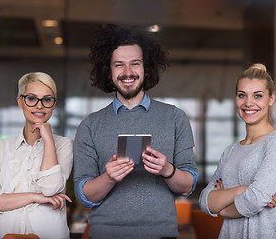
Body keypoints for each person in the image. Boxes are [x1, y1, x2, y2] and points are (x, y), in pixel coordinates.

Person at [73, 24, 198, 239]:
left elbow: (188, 186)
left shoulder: (175, 118)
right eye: (119, 65)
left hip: (161, 235)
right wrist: (109, 177)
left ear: (146, 68)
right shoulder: (90, 125)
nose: (127, 72)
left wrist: (167, 169)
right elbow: (83, 196)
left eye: (135, 64)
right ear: (108, 70)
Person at [199, 63, 276, 238]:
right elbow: (205, 201)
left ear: (271, 98)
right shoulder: (230, 151)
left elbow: (256, 199)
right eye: (242, 95)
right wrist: (242, 189)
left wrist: (223, 208)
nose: (248, 103)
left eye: (258, 96)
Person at [0, 72, 73, 239]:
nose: (39, 106)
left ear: (54, 104)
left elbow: (51, 188)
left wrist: (48, 140)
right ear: (20, 102)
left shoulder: (64, 145)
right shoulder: (2, 147)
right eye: (31, 98)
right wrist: (35, 197)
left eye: (47, 99)